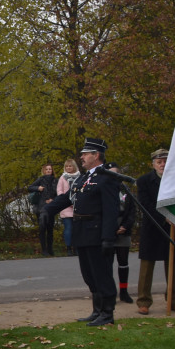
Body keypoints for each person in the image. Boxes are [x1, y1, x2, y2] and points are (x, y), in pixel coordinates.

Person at [43, 138, 119, 326]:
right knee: (89, 275)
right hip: (82, 233)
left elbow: (111, 210)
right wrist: (48, 210)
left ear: (96, 155)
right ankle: (97, 310)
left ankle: (107, 313)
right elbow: (68, 197)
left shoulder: (107, 178)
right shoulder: (84, 178)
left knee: (102, 274)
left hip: (97, 233)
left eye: (86, 153)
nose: (82, 157)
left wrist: (109, 237)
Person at [135, 149, 175, 315]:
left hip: (174, 227)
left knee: (173, 265)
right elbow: (145, 204)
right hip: (152, 227)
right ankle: (143, 301)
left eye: (165, 161)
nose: (162, 164)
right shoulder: (144, 181)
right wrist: (164, 217)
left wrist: (174, 217)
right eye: (159, 162)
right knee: (147, 266)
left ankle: (174, 300)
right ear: (153, 164)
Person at [108, 163, 135, 303]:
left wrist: (125, 226)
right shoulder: (104, 190)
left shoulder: (126, 190)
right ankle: (110, 293)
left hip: (124, 230)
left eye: (116, 173)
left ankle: (124, 291)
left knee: (123, 262)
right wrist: (111, 227)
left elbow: (132, 211)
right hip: (109, 230)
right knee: (107, 263)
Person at [27, 163, 58, 256]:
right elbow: (30, 187)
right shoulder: (40, 179)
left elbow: (59, 192)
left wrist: (53, 200)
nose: (49, 171)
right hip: (41, 208)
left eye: (50, 169)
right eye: (47, 169)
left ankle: (50, 249)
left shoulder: (55, 180)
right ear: (44, 171)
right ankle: (44, 250)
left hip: (51, 207)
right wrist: (38, 188)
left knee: (50, 229)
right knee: (42, 228)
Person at [56, 159, 80, 256]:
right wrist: (66, 201)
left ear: (74, 166)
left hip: (77, 206)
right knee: (68, 228)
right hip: (66, 207)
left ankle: (77, 247)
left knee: (77, 228)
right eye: (67, 166)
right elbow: (59, 191)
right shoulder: (62, 178)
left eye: (70, 166)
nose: (68, 168)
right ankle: (69, 248)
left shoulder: (80, 177)